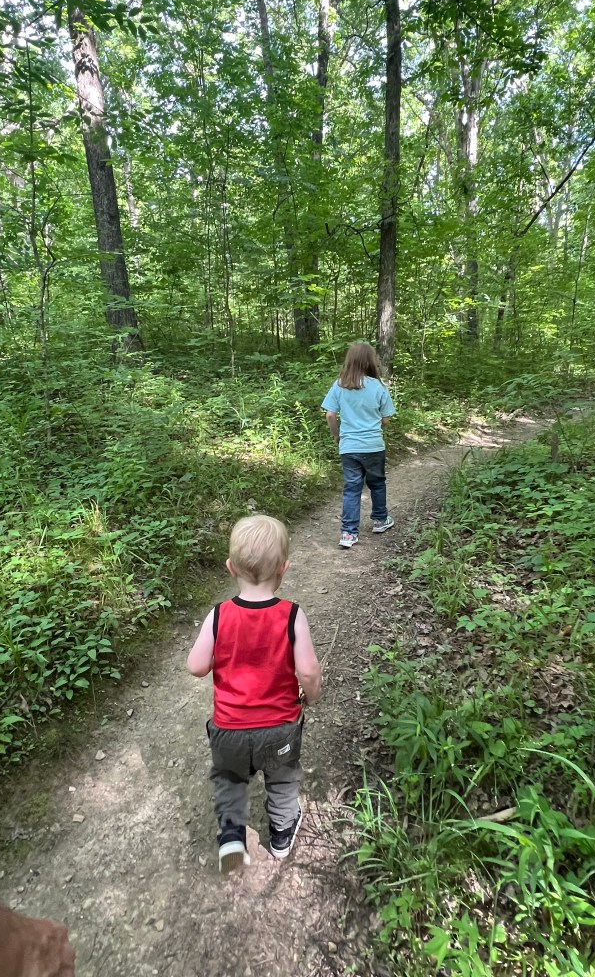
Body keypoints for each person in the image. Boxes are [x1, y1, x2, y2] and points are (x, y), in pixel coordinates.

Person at [187, 514, 322, 874]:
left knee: (230, 781)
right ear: (284, 568)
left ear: (230, 568)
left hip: (229, 730)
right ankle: (280, 837)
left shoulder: (218, 616)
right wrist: (311, 695)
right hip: (279, 728)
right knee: (282, 779)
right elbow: (308, 670)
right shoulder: (292, 616)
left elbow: (196, 666)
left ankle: (231, 836)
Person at [322, 341, 396, 548]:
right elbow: (385, 420)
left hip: (349, 447)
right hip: (373, 446)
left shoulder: (339, 385)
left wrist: (337, 436)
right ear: (370, 361)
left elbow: (330, 415)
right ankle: (380, 520)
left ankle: (348, 533)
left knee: (352, 488)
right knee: (377, 483)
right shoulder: (378, 387)